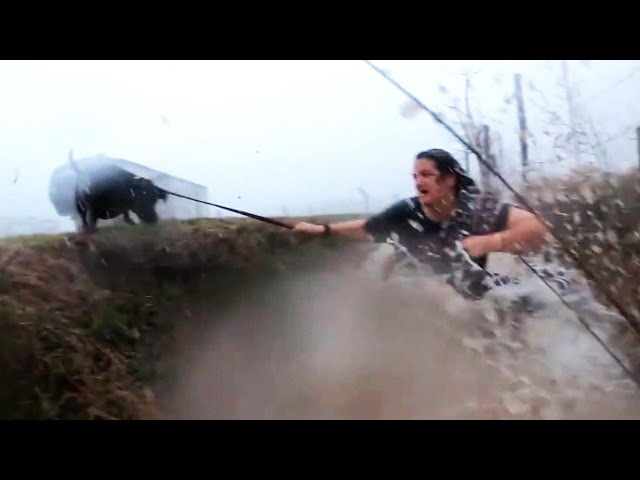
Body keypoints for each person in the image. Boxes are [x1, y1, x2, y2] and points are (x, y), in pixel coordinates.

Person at [293, 148, 551, 298]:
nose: (418, 182)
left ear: (450, 180)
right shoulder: (406, 211)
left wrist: (489, 241)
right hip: (427, 293)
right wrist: (323, 230)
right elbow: (369, 227)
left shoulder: (476, 210)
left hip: (481, 295)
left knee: (535, 297)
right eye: (415, 176)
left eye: (426, 175)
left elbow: (537, 227)